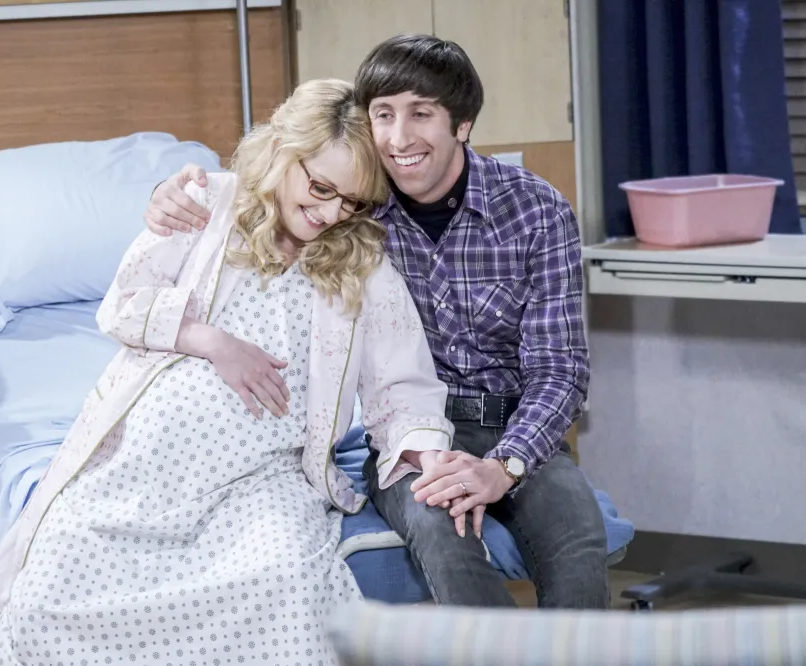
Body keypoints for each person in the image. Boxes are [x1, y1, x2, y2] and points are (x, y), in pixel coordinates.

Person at [0, 77, 454, 666]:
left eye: (353, 202)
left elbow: (401, 385)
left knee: (287, 574)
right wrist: (211, 341)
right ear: (282, 151)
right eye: (321, 187)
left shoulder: (360, 262)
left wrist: (424, 452)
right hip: (143, 474)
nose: (332, 213)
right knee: (50, 587)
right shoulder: (206, 204)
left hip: (260, 482)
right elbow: (122, 306)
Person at [143, 34, 610, 609]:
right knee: (445, 534)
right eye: (383, 115)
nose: (397, 138)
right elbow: (264, 193)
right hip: (408, 434)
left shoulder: (535, 210)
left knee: (577, 546)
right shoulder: (354, 205)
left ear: (462, 125)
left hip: (516, 424)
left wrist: (503, 465)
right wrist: (171, 193)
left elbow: (561, 371)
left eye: (421, 114)